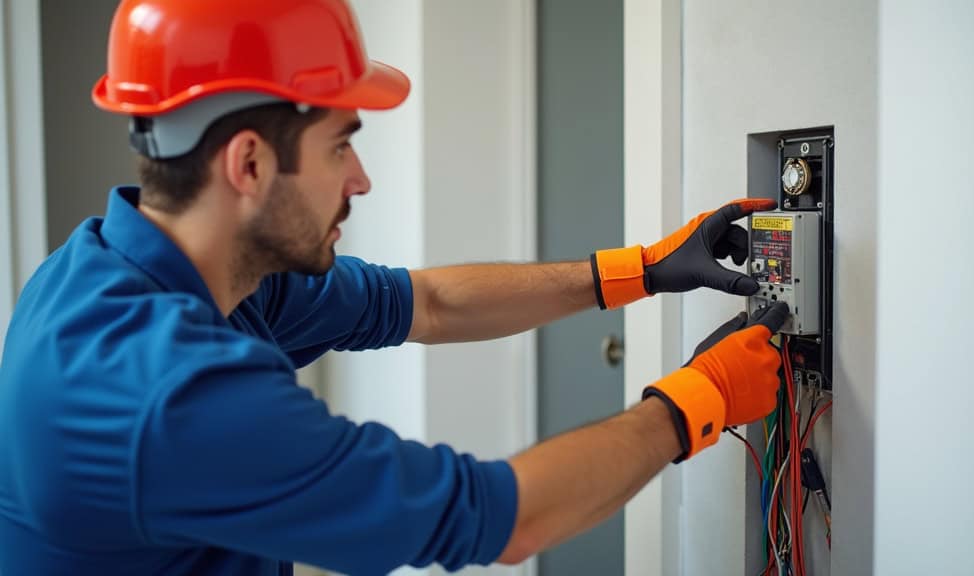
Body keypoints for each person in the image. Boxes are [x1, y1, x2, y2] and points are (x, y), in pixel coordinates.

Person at [0, 1, 787, 574]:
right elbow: (499, 520)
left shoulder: (148, 272)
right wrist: (696, 401)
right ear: (248, 164)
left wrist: (643, 269)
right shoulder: (168, 391)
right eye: (341, 147)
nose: (362, 179)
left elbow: (429, 304)